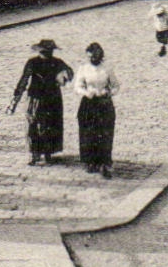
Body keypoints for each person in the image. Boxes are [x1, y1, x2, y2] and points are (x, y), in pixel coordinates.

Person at [8, 39, 73, 165]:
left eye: (49, 51)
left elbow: (69, 73)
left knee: (51, 124)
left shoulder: (57, 62)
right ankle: (34, 153)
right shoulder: (32, 63)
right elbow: (24, 79)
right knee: (33, 124)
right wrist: (15, 98)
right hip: (35, 98)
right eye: (45, 51)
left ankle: (48, 153)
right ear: (40, 51)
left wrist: (64, 76)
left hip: (52, 98)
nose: (47, 54)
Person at [74, 42, 121, 178]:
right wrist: (86, 92)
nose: (92, 59)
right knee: (88, 133)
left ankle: (104, 163)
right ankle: (90, 161)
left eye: (94, 57)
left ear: (100, 56)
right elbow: (77, 86)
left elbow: (116, 86)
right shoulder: (83, 69)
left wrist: (109, 93)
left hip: (104, 104)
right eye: (89, 57)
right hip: (88, 104)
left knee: (104, 133)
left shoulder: (107, 69)